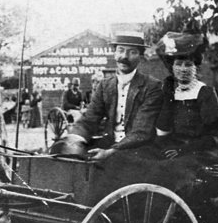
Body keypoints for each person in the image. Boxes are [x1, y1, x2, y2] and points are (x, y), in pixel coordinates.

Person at [52, 32, 163, 160]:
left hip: (138, 149)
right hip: (109, 143)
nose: (124, 57)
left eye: (132, 52)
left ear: (140, 56)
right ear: (114, 53)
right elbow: (89, 119)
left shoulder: (152, 86)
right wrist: (73, 140)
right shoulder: (105, 85)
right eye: (120, 50)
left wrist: (111, 151)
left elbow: (141, 132)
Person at [153, 31, 218, 164]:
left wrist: (184, 150)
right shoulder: (169, 93)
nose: (183, 69)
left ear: (196, 67)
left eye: (188, 64)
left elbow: (217, 135)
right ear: (172, 67)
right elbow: (162, 131)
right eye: (179, 64)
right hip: (174, 148)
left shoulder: (205, 93)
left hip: (202, 150)